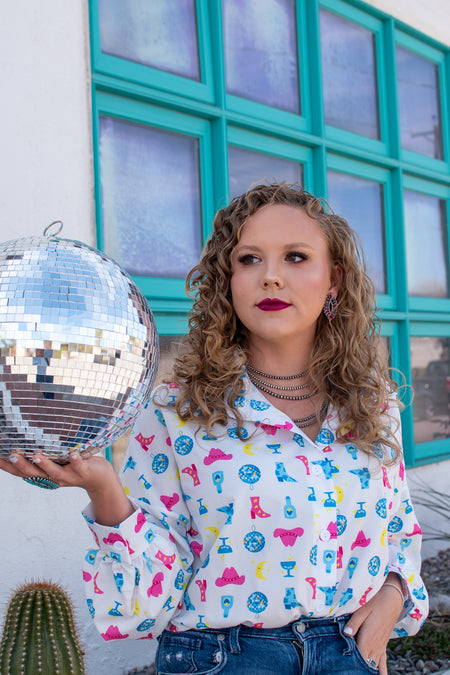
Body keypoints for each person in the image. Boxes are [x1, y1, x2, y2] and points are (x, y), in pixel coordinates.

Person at [1, 183, 428, 675]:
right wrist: (104, 489)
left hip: (352, 654)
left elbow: (399, 528)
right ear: (226, 281)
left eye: (294, 257)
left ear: (333, 281)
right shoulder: (176, 411)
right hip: (223, 659)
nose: (270, 277)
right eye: (248, 259)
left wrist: (396, 592)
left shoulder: (373, 406)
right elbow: (143, 610)